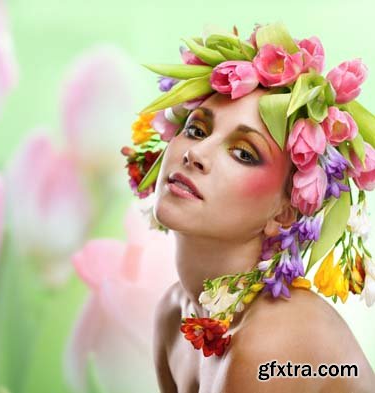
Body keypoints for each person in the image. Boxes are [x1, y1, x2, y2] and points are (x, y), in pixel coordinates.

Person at [121, 22, 375, 392]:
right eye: (196, 130)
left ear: (285, 213)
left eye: (243, 153)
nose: (196, 154)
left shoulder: (272, 342)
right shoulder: (175, 312)